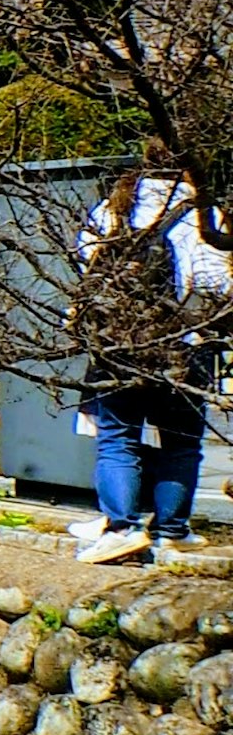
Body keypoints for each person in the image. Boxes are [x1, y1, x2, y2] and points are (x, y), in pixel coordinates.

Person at [73, 164, 231, 565]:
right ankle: (171, 530)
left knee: (118, 440)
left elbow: (85, 263)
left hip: (120, 345)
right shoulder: (206, 214)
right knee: (182, 443)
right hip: (184, 345)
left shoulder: (113, 209)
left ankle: (122, 530)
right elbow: (217, 285)